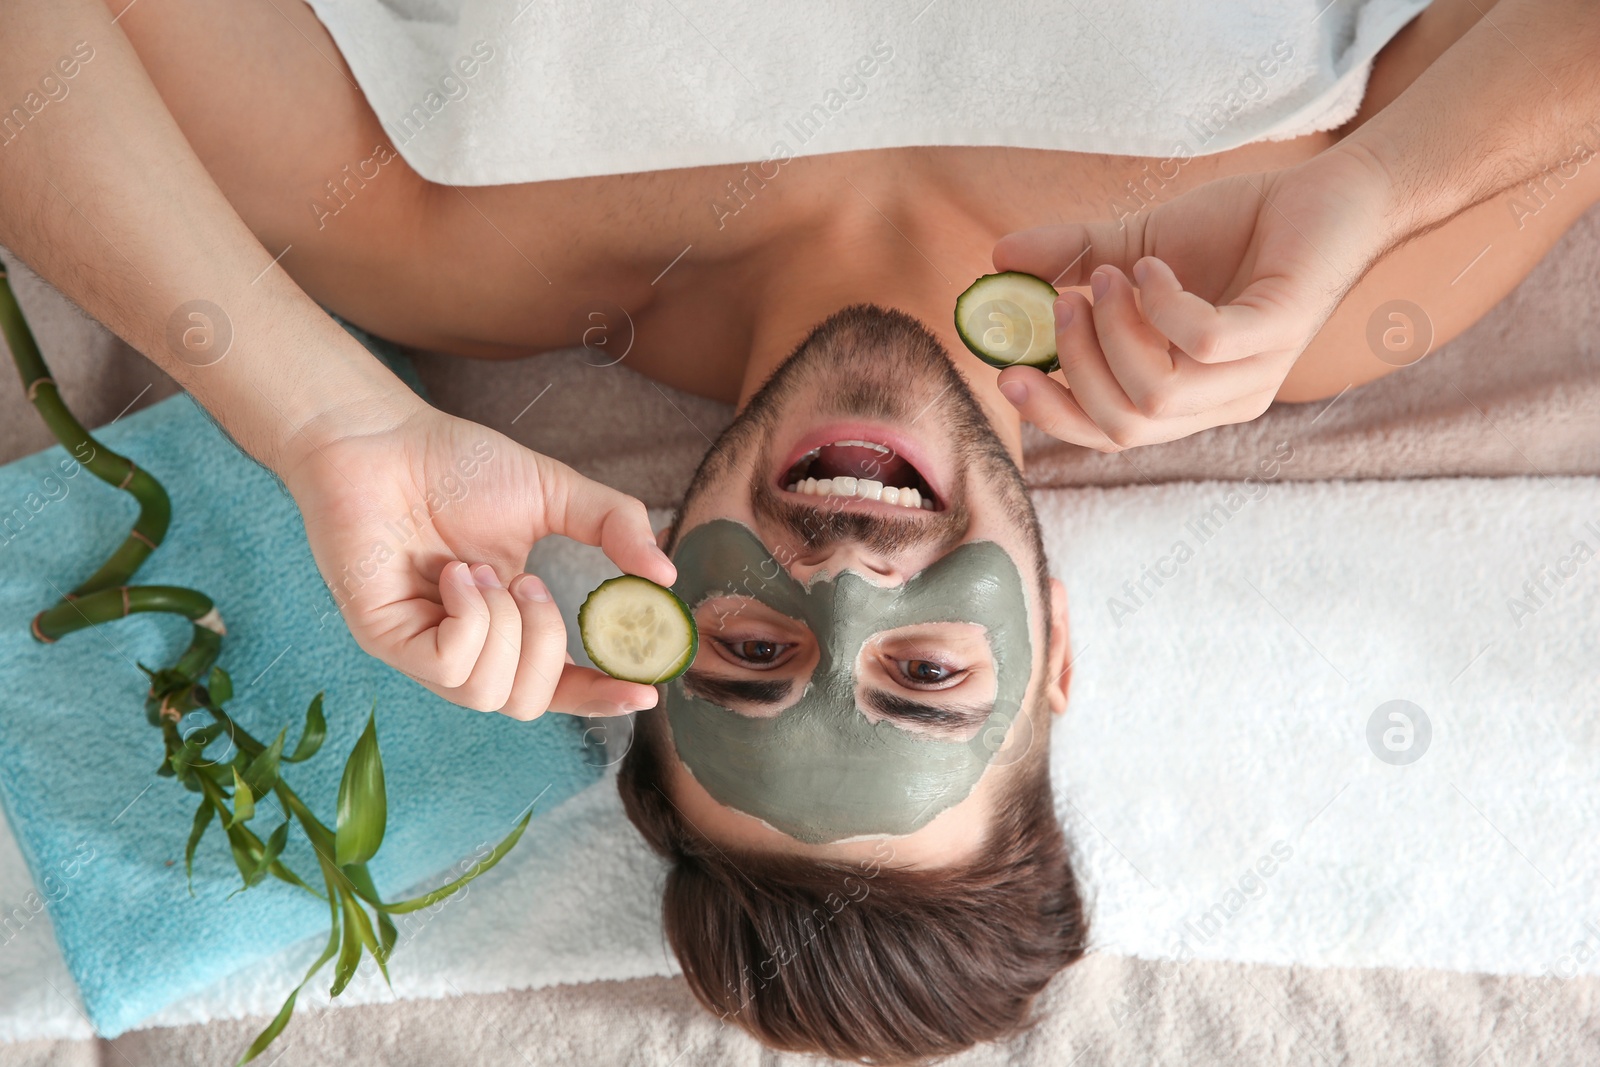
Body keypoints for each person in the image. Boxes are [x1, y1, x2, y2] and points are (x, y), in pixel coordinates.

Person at [2, 0, 1598, 1059]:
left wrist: (318, 419)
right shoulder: (1299, 293)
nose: (842, 584)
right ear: (1054, 659)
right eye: (924, 679)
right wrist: (1382, 181)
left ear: (648, 607)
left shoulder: (417, 229)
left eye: (755, 654)